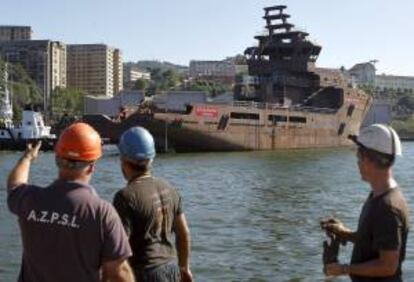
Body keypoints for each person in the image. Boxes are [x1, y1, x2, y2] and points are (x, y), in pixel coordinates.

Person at [7, 122, 135, 282]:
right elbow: (119, 273)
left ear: (57, 159)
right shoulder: (102, 213)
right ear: (92, 166)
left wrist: (27, 158)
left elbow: (14, 186)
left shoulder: (30, 199)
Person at [324, 124, 409, 281]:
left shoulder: (387, 207)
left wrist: (343, 269)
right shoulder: (379, 195)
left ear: (367, 158)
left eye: (358, 156)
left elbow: (388, 266)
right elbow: (375, 242)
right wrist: (344, 233)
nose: (357, 162)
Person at [113, 126, 193, 282]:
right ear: (151, 158)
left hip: (144, 273)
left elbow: (118, 250)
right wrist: (184, 268)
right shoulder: (170, 189)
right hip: (172, 270)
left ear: (123, 160)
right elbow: (183, 233)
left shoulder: (125, 196)